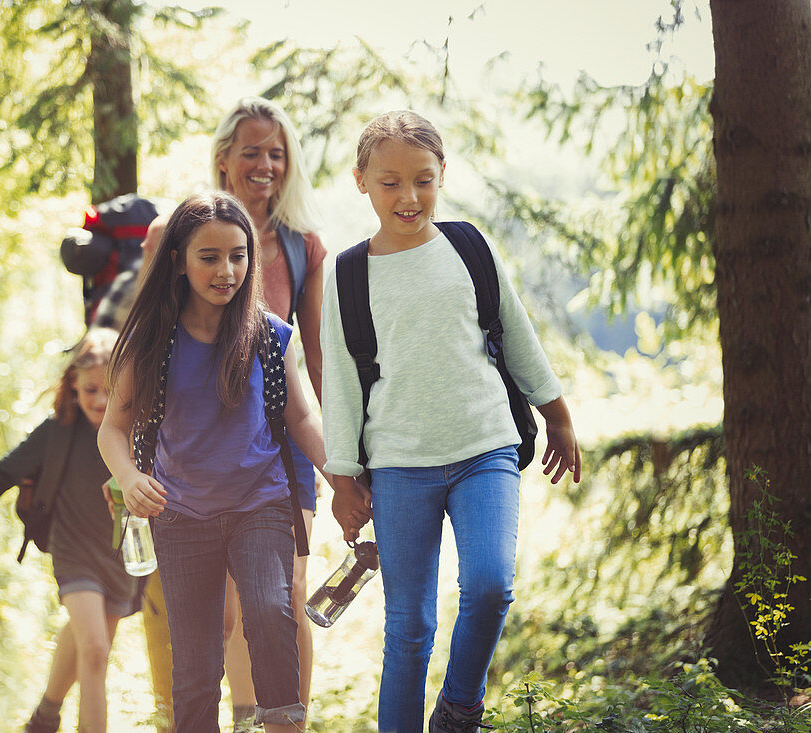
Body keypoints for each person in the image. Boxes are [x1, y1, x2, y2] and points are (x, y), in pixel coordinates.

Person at [320, 110, 583, 733]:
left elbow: (516, 337)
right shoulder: (349, 274)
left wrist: (560, 418)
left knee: (491, 586)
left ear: (443, 176)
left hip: (484, 447)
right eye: (389, 182)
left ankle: (460, 707)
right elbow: (342, 382)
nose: (408, 197)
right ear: (361, 181)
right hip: (398, 466)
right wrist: (343, 478)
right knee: (409, 628)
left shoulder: (469, 246)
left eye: (423, 179)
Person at [98, 192, 331, 733]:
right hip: (181, 516)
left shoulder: (269, 333)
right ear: (177, 258)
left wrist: (341, 476)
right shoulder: (150, 338)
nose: (226, 270)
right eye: (209, 257)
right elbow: (114, 426)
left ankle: (283, 726)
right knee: (196, 663)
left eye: (238, 255)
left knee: (272, 614)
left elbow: (301, 418)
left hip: (262, 504)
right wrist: (129, 478)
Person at [0, 328, 136, 733]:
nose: (100, 401)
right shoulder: (56, 432)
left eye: (108, 390)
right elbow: (2, 472)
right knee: (95, 650)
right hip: (73, 551)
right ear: (72, 385)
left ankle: (44, 717)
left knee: (90, 644)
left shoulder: (135, 431)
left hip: (120, 554)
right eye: (89, 390)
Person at [210, 96, 326, 731]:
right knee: (231, 607)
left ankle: (291, 724)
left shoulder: (304, 247)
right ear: (225, 159)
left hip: (284, 450)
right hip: (207, 451)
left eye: (275, 154)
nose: (264, 165)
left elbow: (317, 362)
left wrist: (343, 464)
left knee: (285, 597)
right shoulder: (185, 236)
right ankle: (245, 719)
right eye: (250, 152)